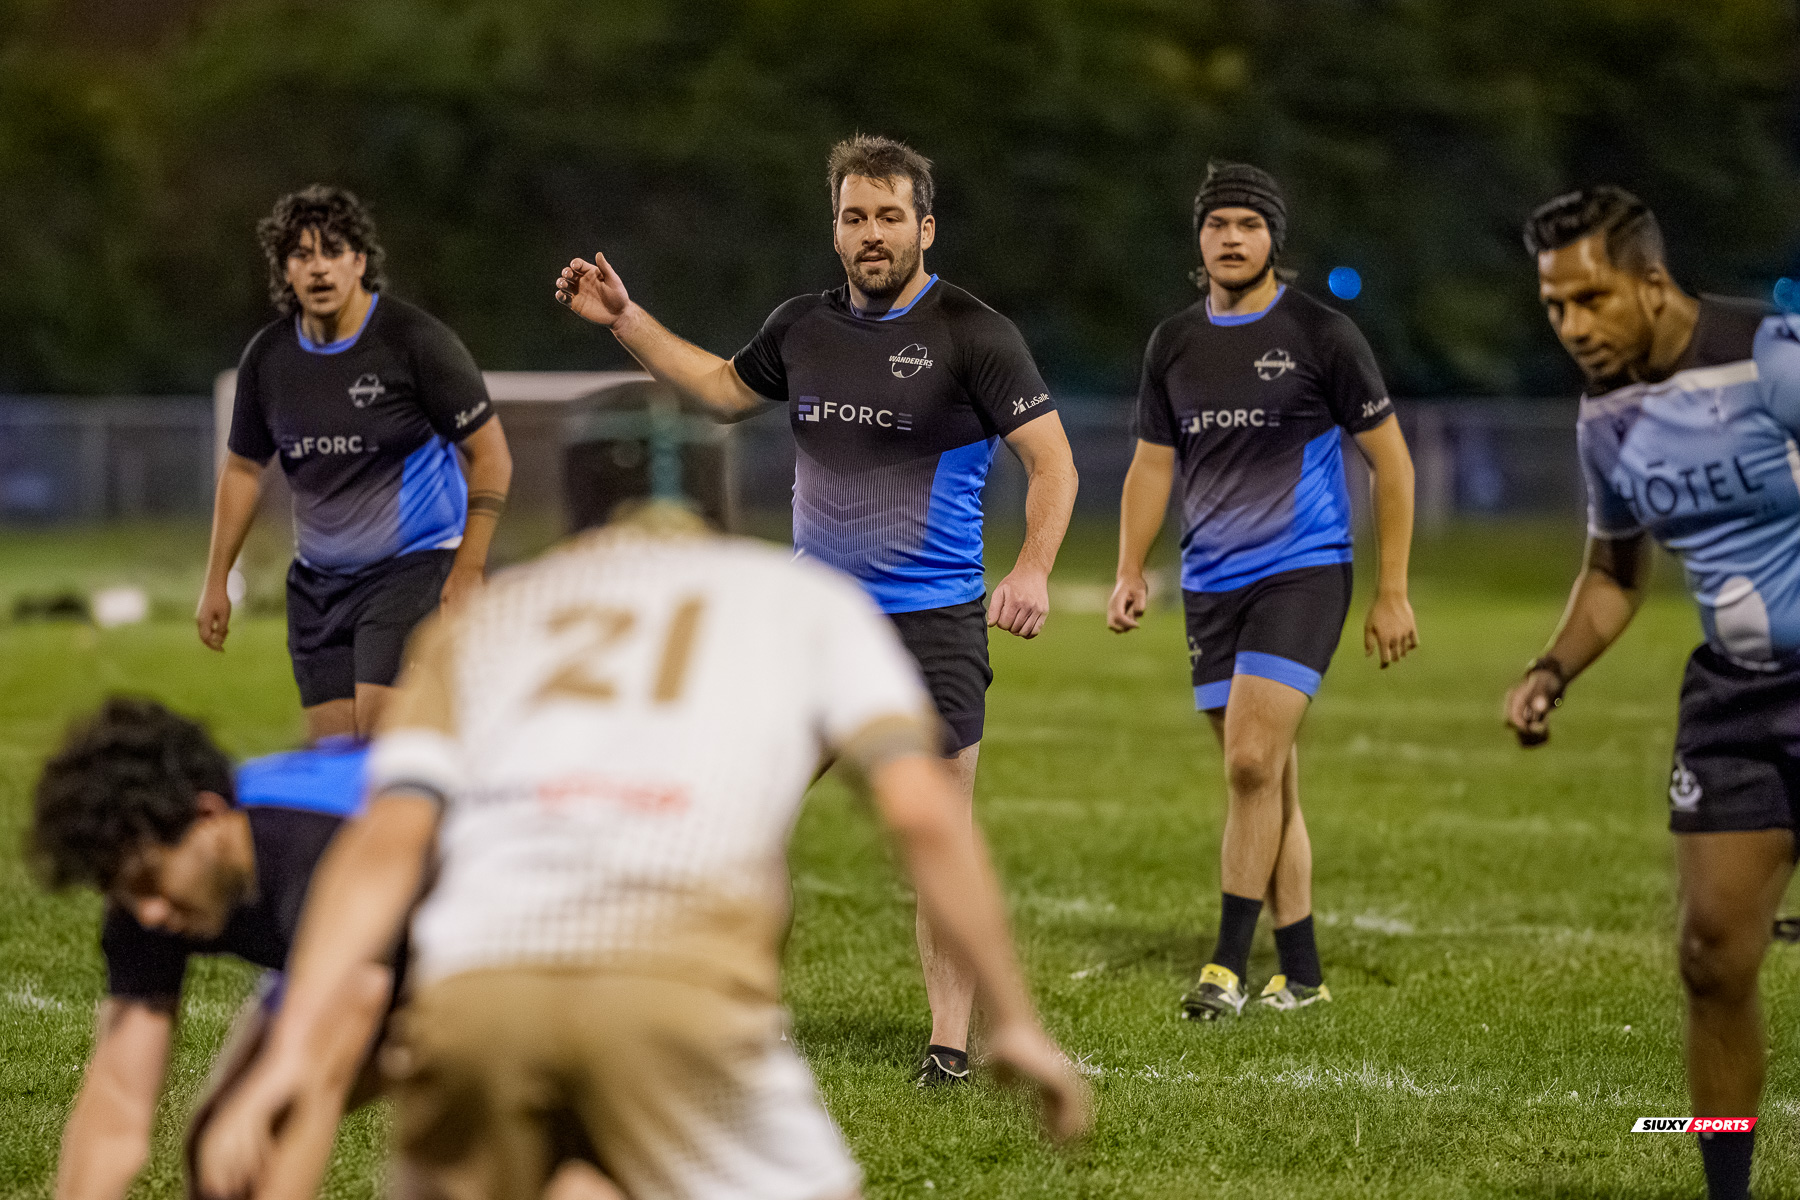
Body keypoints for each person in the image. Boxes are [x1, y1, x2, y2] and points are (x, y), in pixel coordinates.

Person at [195, 499, 1092, 1200]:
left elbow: (387, 843)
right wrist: (1012, 1019)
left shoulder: (488, 616)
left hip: (474, 990)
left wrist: (291, 1054)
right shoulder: (803, 595)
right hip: (672, 980)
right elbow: (924, 813)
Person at [552, 133, 1080, 1086]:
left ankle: (949, 1049)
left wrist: (1033, 568)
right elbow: (718, 392)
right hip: (811, 622)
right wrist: (625, 320)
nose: (871, 234)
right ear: (833, 229)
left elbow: (1052, 463)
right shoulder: (803, 326)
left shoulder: (975, 333)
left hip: (933, 623)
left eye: (888, 216)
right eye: (853, 217)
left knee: (938, 839)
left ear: (925, 225)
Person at [1504, 185, 1800, 1200]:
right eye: (1555, 308)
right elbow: (1613, 577)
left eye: (1590, 300)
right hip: (1734, 698)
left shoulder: (1773, 357)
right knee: (1713, 955)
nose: (1572, 327)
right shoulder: (1608, 416)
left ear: (1652, 282)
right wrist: (1551, 671)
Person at [1107, 162, 1418, 1021]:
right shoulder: (1173, 342)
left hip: (1304, 569)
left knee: (1249, 762)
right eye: (1218, 225)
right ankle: (1306, 971)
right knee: (1264, 775)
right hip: (1210, 584)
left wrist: (1391, 591)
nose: (1232, 238)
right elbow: (1151, 465)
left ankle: (1226, 968)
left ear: (1274, 237)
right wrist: (1131, 568)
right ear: (1199, 239)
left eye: (1249, 224)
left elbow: (1391, 464)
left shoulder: (1322, 334)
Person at [28, 699, 392, 1200]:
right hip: (359, 945)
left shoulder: (307, 851)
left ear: (209, 817)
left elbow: (352, 1013)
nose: (149, 914)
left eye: (150, 880)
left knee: (264, 1129)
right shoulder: (150, 897)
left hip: (494, 914)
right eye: (125, 891)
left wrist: (264, 1100)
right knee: (219, 1149)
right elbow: (117, 1104)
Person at [196, 184, 514, 742]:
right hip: (317, 586)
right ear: (284, 270)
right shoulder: (269, 359)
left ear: (360, 261)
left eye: (333, 251)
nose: (318, 269)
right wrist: (216, 579)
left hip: (411, 570)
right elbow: (243, 470)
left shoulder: (414, 343)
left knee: (380, 742)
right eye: (301, 254)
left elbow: (491, 455)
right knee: (335, 754)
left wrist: (469, 566)